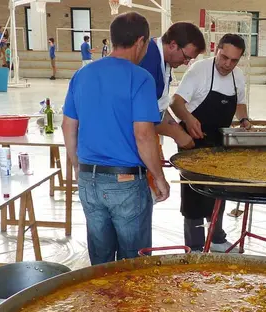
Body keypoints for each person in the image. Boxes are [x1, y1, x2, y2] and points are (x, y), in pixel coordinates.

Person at [62, 11, 169, 264]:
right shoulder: (140, 78)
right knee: (134, 262)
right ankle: (130, 305)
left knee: (100, 260)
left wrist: (79, 165)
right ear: (141, 42)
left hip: (89, 179)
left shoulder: (82, 74)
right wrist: (160, 178)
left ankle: (102, 304)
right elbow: (144, 135)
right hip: (126, 182)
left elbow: (68, 126)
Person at [170, 34, 251, 253]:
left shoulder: (238, 76)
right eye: (224, 57)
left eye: (234, 61)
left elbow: (240, 104)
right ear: (216, 50)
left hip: (219, 144)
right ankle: (194, 246)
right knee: (193, 195)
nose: (227, 64)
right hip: (192, 143)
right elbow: (176, 103)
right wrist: (188, 119)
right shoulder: (199, 70)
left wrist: (243, 120)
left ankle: (216, 238)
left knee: (219, 191)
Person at [138, 22, 206, 150]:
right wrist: (177, 134)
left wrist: (182, 123)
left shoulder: (165, 61)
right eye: (186, 57)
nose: (186, 63)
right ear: (173, 45)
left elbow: (160, 107)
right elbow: (143, 116)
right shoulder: (147, 61)